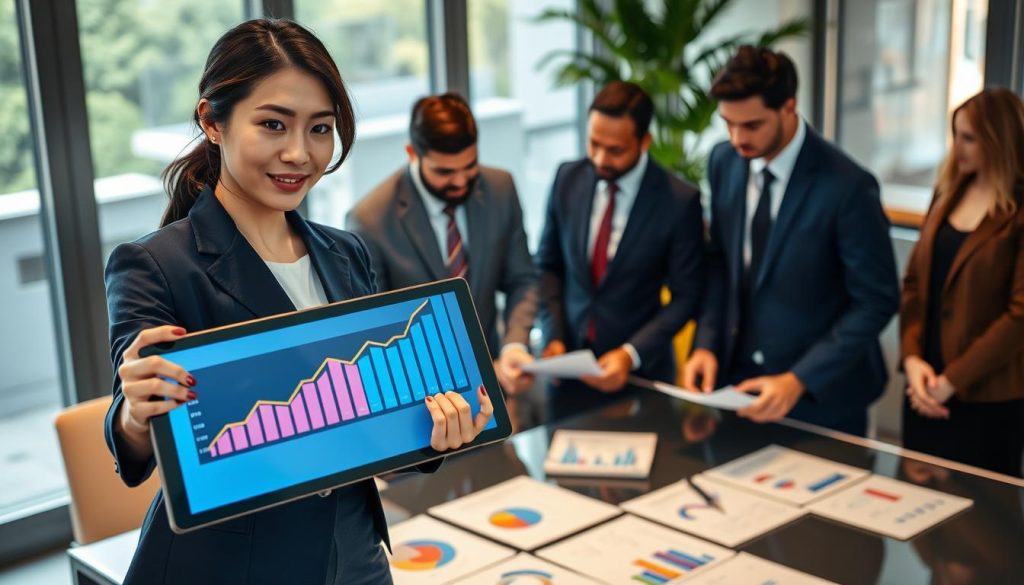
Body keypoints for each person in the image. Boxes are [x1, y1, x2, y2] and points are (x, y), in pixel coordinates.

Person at [103, 20, 492, 585]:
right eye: (272, 124)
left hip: (355, 552)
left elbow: (363, 415)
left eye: (320, 129)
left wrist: (436, 434)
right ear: (211, 122)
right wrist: (137, 412)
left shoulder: (347, 253)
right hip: (232, 565)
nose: (298, 153)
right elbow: (133, 438)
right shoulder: (154, 263)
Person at [683, 46, 899, 436]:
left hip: (822, 398)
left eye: (751, 125)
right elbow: (719, 262)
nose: (737, 139)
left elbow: (876, 300)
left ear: (789, 107)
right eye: (728, 124)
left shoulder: (848, 186)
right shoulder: (723, 162)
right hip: (738, 386)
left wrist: (799, 378)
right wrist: (706, 343)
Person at [346, 93, 537, 396]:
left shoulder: (501, 189)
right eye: (445, 172)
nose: (461, 181)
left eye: (470, 165)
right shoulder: (369, 221)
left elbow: (522, 279)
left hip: (496, 380)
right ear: (412, 153)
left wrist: (514, 344)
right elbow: (376, 331)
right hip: (418, 391)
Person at [535, 81, 705, 421]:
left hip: (641, 378)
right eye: (593, 144)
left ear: (644, 142)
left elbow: (688, 296)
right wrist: (552, 335)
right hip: (567, 376)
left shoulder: (679, 200)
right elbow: (547, 266)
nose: (600, 158)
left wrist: (631, 354)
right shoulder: (567, 178)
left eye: (614, 150)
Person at [899, 88, 1024, 477]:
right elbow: (916, 284)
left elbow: (1020, 316)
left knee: (980, 526)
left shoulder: (1018, 212)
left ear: (998, 141)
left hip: (986, 398)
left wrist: (953, 380)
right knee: (916, 513)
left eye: (969, 137)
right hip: (924, 385)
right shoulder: (947, 192)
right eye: (956, 134)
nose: (958, 147)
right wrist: (913, 359)